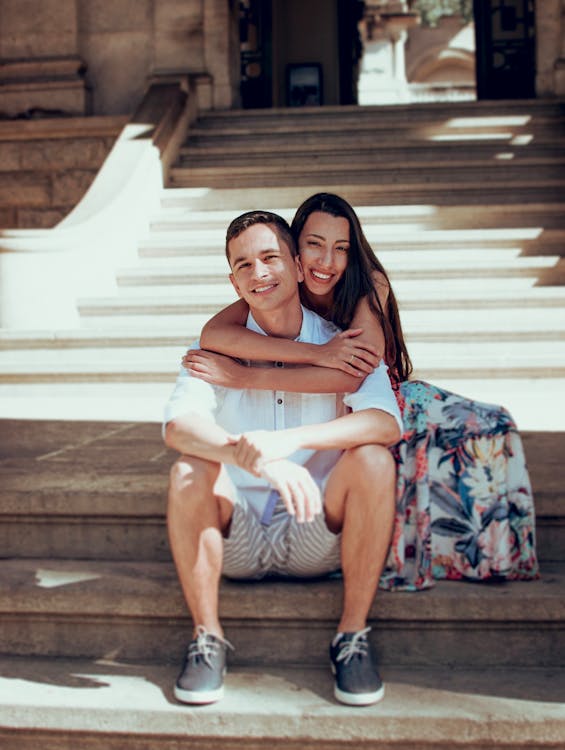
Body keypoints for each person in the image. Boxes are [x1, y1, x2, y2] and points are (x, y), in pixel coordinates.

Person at [183, 193, 539, 591]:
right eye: (314, 245)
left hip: (387, 397)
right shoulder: (277, 282)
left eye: (341, 249)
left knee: (490, 426)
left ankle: (481, 552)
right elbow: (213, 334)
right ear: (294, 251)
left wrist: (248, 377)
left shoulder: (368, 285)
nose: (326, 262)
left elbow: (354, 374)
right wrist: (316, 353)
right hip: (334, 401)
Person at [164, 210, 403, 707]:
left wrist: (289, 440)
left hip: (315, 525)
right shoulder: (213, 347)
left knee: (375, 461)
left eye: (270, 257)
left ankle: (352, 637)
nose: (259, 274)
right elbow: (177, 427)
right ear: (233, 280)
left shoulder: (340, 340)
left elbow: (384, 421)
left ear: (297, 266)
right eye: (244, 265)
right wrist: (253, 457)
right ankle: (206, 639)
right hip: (237, 536)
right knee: (190, 468)